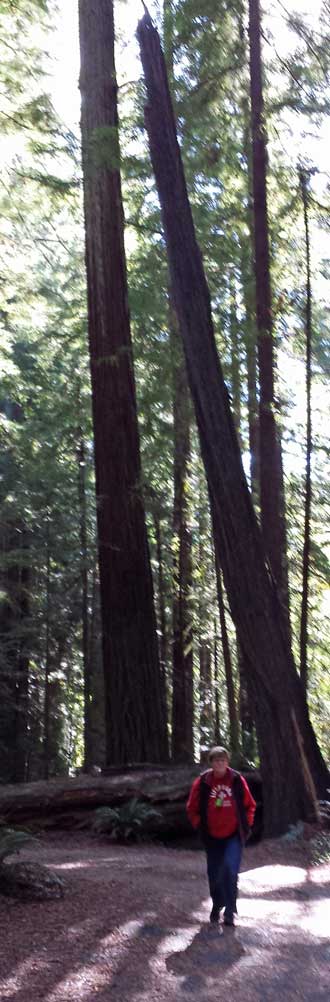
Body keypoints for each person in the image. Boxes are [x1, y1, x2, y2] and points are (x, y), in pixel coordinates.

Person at [186, 746, 256, 927]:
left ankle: (230, 911)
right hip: (212, 835)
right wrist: (199, 826)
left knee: (231, 871)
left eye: (223, 760)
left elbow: (250, 805)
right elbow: (191, 808)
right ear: (211, 763)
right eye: (217, 760)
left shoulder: (237, 780)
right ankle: (218, 903)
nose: (220, 763)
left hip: (233, 834)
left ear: (227, 762)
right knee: (214, 873)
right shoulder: (203, 782)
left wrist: (246, 824)